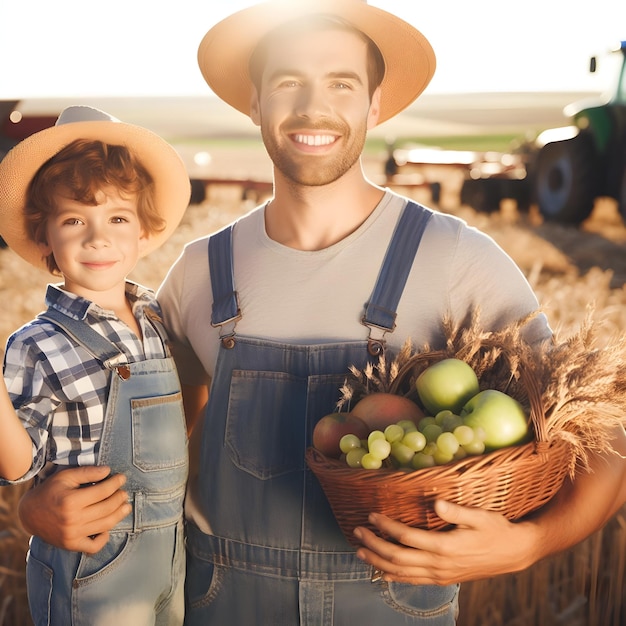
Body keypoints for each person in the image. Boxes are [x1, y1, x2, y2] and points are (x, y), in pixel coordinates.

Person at [17, 2, 626, 625]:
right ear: (255, 102)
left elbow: (601, 441)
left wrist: (527, 546)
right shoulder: (200, 273)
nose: (314, 106)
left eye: (341, 82)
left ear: (375, 104)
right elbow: (144, 446)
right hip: (220, 605)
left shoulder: (456, 260)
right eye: (288, 82)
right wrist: (34, 508)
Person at [0, 105, 191, 625]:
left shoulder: (158, 319)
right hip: (93, 560)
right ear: (45, 240)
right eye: (73, 220)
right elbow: (18, 467)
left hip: (174, 555)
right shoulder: (38, 342)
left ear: (145, 233)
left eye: (117, 218)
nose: (97, 237)